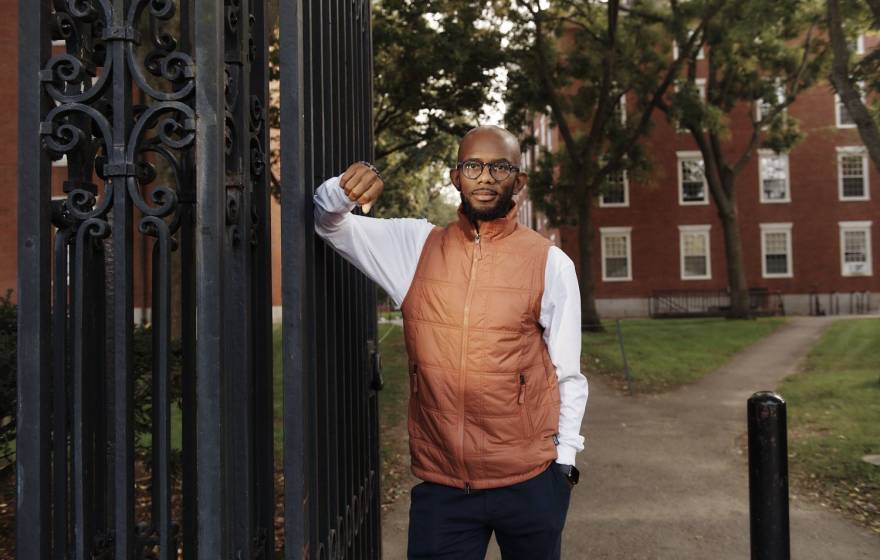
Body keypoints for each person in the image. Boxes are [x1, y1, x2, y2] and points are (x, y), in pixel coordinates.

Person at [313, 125, 588, 560]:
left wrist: (564, 466)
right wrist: (344, 189)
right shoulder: (415, 248)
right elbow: (330, 224)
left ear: (519, 181)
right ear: (455, 175)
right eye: (473, 165)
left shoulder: (549, 262)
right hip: (444, 488)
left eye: (500, 166)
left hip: (530, 483)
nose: (485, 177)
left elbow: (567, 374)